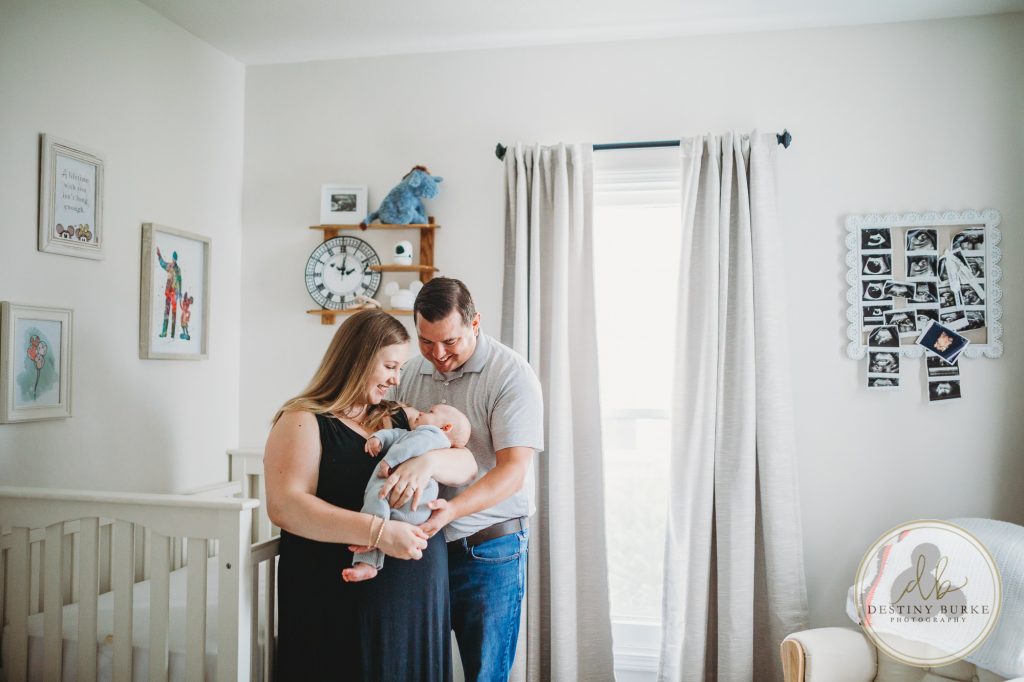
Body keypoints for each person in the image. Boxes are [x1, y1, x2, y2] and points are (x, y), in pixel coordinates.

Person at [264, 309, 477, 681]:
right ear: (358, 359)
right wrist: (378, 534)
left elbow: (467, 463)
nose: (397, 380)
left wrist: (426, 464)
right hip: (337, 604)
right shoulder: (303, 419)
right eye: (390, 367)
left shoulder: (397, 417)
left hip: (416, 601)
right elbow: (286, 506)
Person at [387, 277, 544, 682]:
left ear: (475, 324)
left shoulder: (512, 375)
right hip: (422, 550)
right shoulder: (410, 371)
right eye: (426, 342)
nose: (437, 355)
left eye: (450, 342)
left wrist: (451, 510)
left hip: (489, 550)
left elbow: (512, 473)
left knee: (484, 674)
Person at [344, 404, 472, 583]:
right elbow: (396, 435)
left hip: (404, 498)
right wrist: (379, 438)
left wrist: (390, 461)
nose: (421, 412)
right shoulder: (415, 433)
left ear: (446, 427)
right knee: (383, 523)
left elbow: (412, 446)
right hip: (411, 509)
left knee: (375, 509)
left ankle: (368, 551)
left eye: (430, 412)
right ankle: (368, 564)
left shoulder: (433, 436)